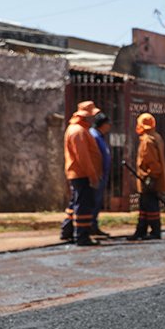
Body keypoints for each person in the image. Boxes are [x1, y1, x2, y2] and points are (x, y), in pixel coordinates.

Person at [60, 100, 103, 247]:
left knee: (76, 204)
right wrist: (93, 175)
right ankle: (82, 236)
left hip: (79, 174)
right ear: (85, 116)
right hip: (82, 174)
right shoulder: (78, 131)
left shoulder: (78, 129)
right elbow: (83, 158)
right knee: (83, 206)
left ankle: (68, 231)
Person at [130, 113, 165, 241]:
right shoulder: (156, 137)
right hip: (152, 178)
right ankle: (141, 231)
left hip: (149, 179)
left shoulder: (147, 141)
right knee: (145, 207)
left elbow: (152, 163)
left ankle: (154, 231)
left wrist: (150, 178)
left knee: (150, 206)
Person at [88, 112, 113, 238]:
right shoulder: (94, 135)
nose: (109, 126)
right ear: (102, 124)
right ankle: (89, 226)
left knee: (97, 201)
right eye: (108, 124)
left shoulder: (100, 136)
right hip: (97, 174)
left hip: (102, 174)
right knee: (92, 201)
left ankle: (93, 225)